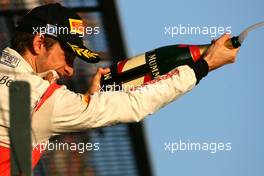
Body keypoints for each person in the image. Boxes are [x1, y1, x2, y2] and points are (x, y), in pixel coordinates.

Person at [0, 3, 239, 175]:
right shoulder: (43, 101)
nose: (70, 70)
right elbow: (135, 105)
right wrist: (203, 67)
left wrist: (86, 101)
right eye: (68, 57)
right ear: (39, 42)